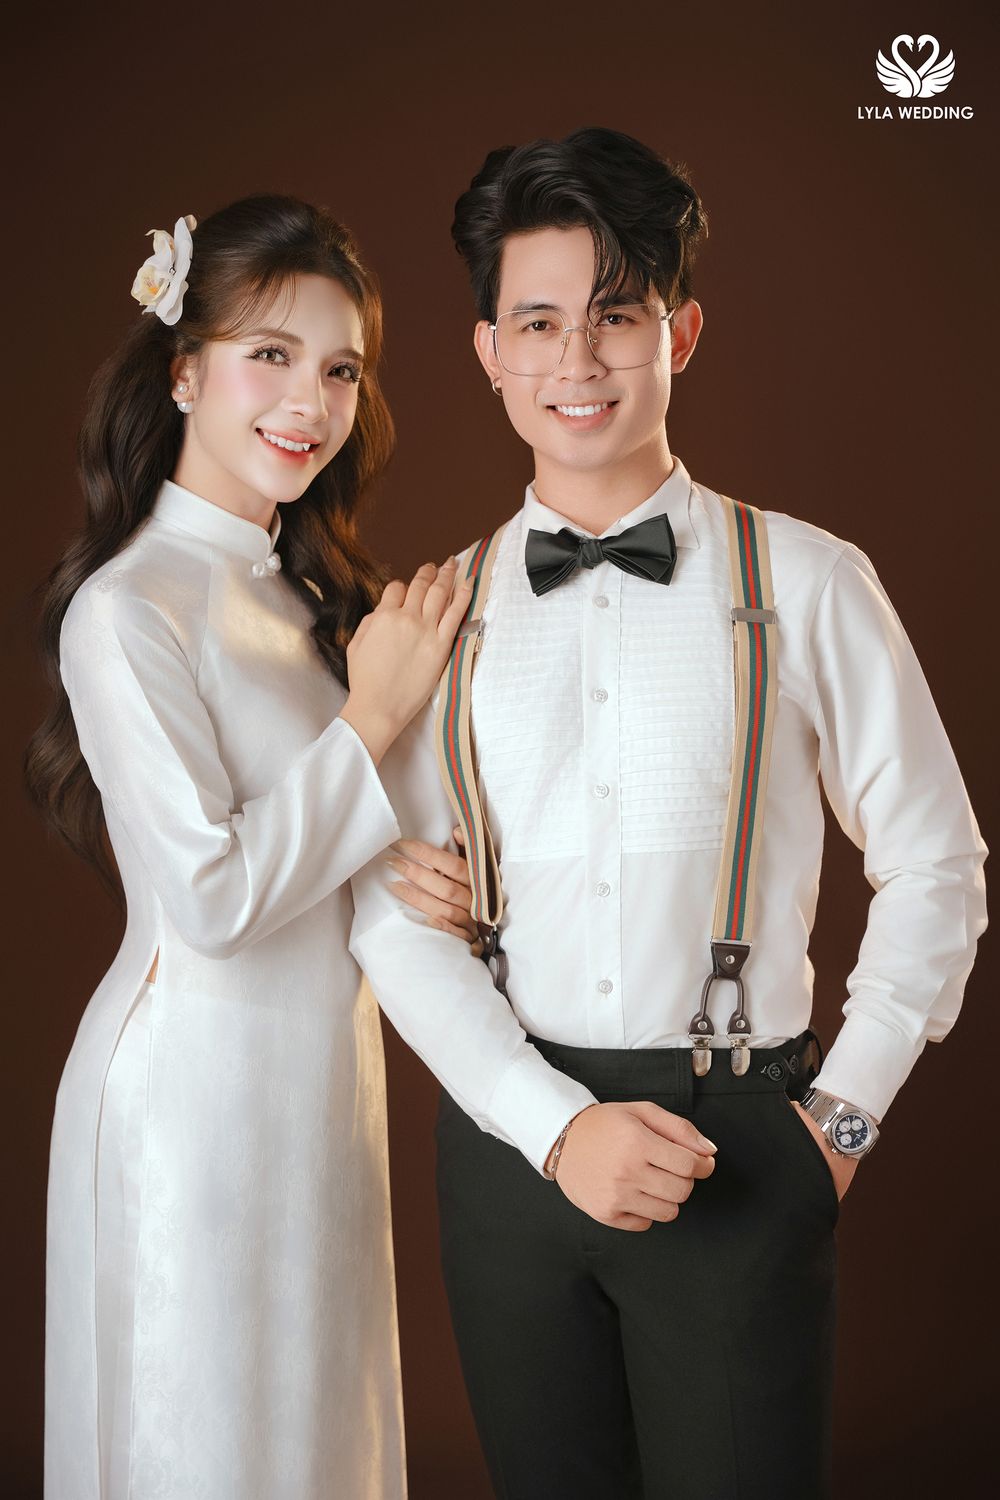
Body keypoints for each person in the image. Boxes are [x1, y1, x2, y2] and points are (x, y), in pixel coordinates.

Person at [349, 128, 988, 1499]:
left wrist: (842, 1123)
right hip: (510, 1145)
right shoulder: (435, 618)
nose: (577, 362)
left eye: (618, 316)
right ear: (488, 354)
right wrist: (546, 1123)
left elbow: (939, 862)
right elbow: (391, 919)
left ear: (679, 335)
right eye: (538, 324)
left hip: (744, 1140)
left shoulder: (810, 580)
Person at [26, 195, 479, 1500]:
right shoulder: (127, 610)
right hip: (185, 1101)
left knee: (320, 1444)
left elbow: (346, 844)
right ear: (185, 372)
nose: (308, 401)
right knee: (201, 1450)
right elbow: (216, 900)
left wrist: (432, 878)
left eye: (340, 369)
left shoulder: (317, 597)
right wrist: (374, 716)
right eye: (269, 355)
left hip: (325, 1088)